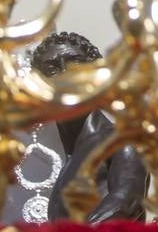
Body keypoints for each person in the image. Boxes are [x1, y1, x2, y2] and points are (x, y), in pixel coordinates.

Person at [31, 32, 148, 222]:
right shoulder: (71, 155)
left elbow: (125, 203)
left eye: (75, 65)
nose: (65, 75)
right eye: (52, 69)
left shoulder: (121, 139)